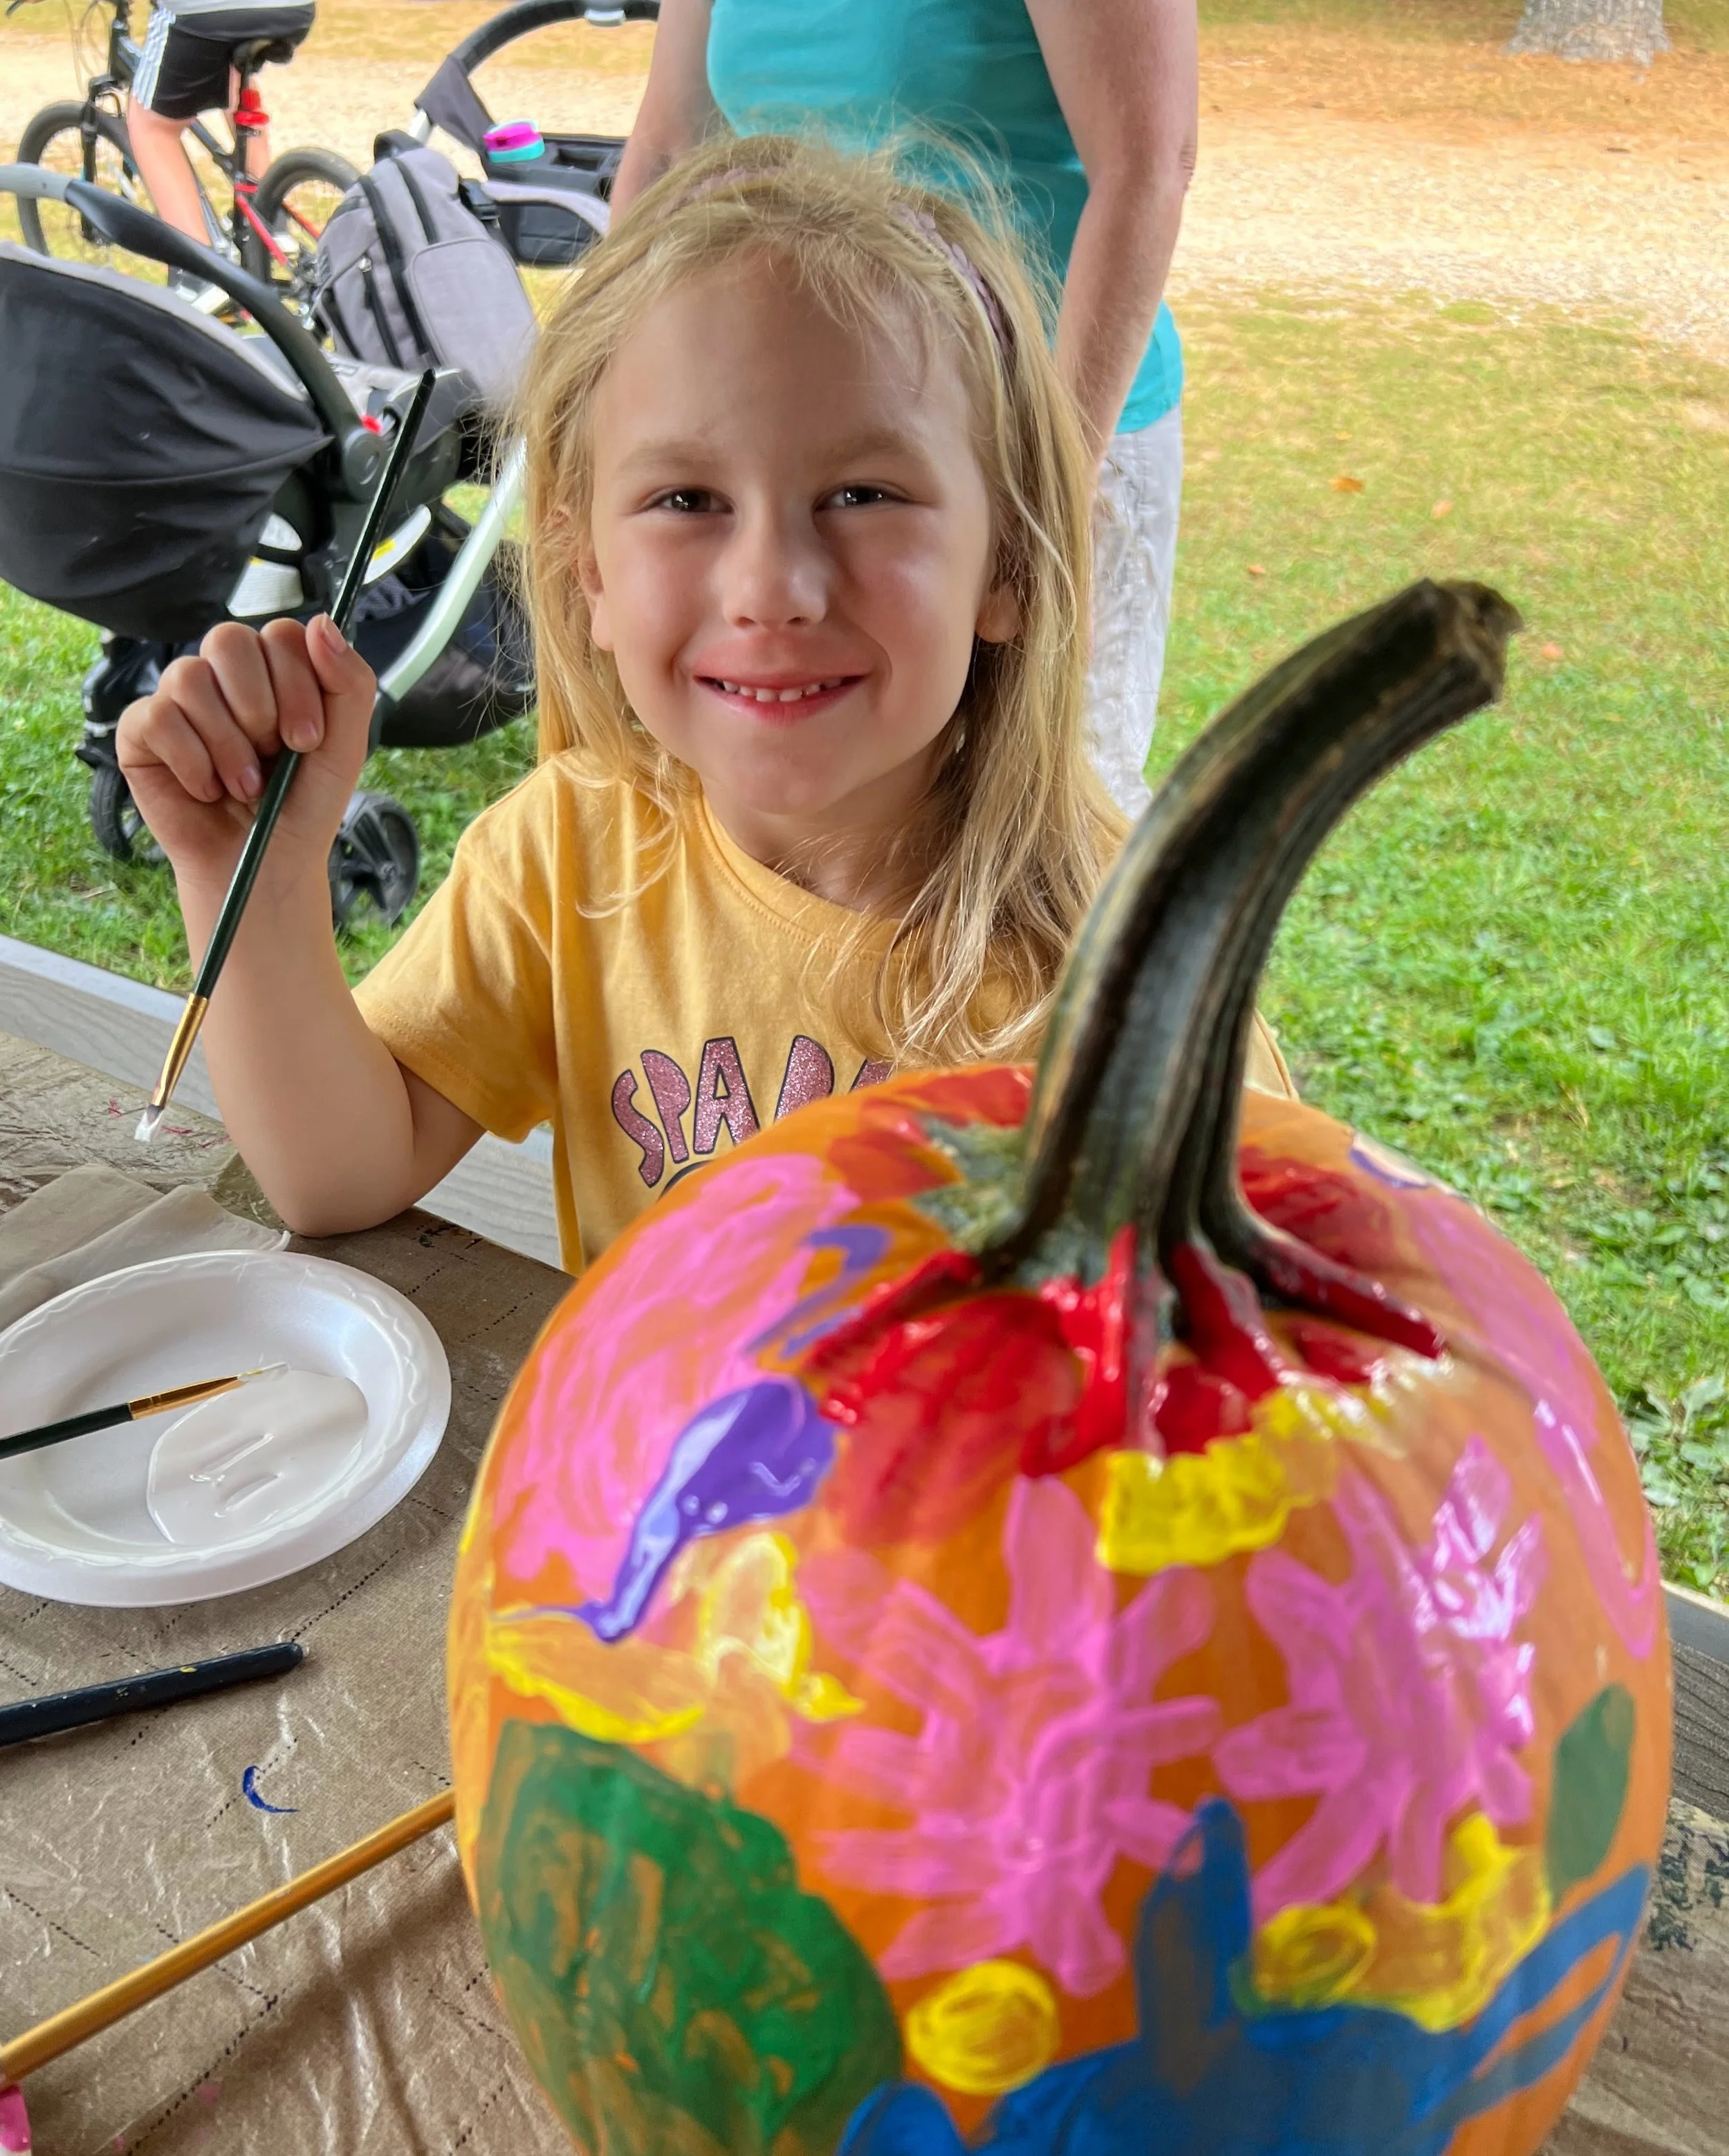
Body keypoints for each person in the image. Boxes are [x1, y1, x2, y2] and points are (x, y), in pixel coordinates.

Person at [117, 137, 1287, 1273]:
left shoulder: (1140, 979)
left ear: (1009, 568)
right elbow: (335, 1175)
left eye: (864, 491)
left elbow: (1264, 1348)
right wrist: (254, 887)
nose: (770, 586)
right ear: (591, 575)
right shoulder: (567, 857)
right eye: (686, 497)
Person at [613, 0, 1199, 818]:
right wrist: (606, 420)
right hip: (794, 433)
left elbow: (1146, 168)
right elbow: (669, 148)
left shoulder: (1044, 467)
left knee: (1046, 808)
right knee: (816, 816)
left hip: (1044, 427)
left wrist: (1049, 498)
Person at [129, 2, 316, 252]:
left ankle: (198, 270)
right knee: (233, 72)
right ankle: (269, 215)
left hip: (205, 12)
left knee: (151, 127)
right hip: (294, 9)